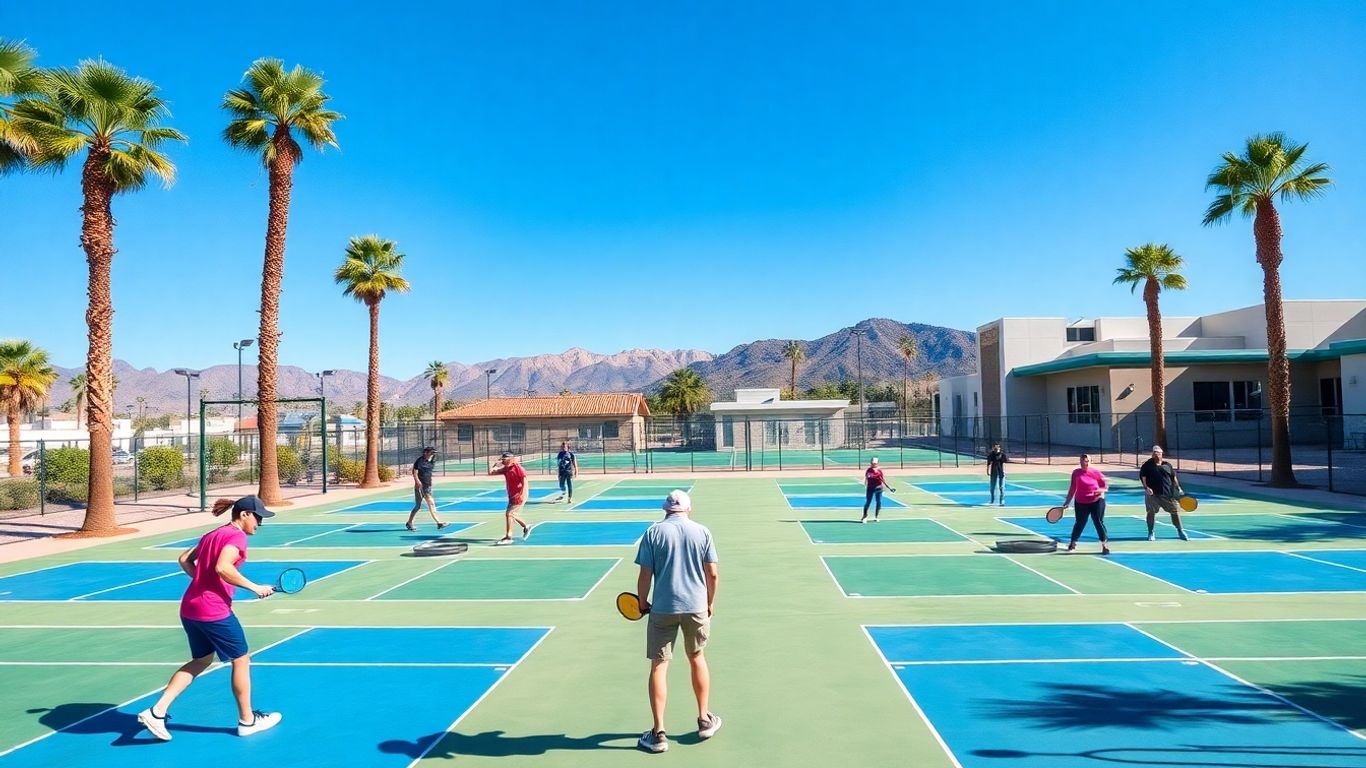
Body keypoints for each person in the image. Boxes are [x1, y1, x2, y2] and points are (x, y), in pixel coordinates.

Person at [136, 496, 282, 741]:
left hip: (190, 608)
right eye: (258, 518)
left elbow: (184, 559)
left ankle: (157, 712)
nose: (259, 523)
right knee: (241, 660)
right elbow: (223, 568)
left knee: (201, 660)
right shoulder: (236, 536)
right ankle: (248, 721)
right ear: (244, 515)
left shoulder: (212, 534)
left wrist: (203, 583)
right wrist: (255, 587)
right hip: (213, 611)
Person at [634, 490, 721, 754]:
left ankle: (658, 733)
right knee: (697, 657)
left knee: (659, 666)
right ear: (688, 509)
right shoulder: (702, 532)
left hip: (663, 608)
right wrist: (709, 602)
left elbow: (645, 574)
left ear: (666, 510)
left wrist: (641, 602)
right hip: (696, 607)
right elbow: (712, 574)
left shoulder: (653, 533)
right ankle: (704, 719)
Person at [1061, 454, 1110, 555]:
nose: (1084, 463)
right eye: (1082, 461)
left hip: (1097, 501)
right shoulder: (1076, 473)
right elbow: (1072, 488)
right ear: (1080, 462)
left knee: (1098, 522)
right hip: (1081, 502)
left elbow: (1105, 486)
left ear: (1090, 462)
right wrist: (1067, 501)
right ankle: (1073, 543)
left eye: (1087, 461)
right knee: (1080, 523)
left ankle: (1104, 545)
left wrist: (1100, 490)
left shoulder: (1096, 473)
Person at [1139, 445, 1189, 542]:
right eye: (1154, 452)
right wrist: (1146, 488)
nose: (1156, 454)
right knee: (1151, 512)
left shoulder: (1167, 465)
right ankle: (1151, 532)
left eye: (1158, 452)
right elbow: (1143, 478)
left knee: (1174, 512)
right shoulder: (1147, 465)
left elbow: (1173, 478)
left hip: (1168, 494)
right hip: (1153, 495)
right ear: (1152, 454)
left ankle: (1180, 531)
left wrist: (1178, 488)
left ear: (1162, 454)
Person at [489, 451, 531, 545]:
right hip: (511, 496)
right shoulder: (506, 469)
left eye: (504, 459)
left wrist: (522, 494)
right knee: (510, 515)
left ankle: (509, 536)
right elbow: (491, 472)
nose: (503, 461)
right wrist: (495, 464)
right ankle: (526, 526)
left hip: (519, 495)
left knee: (509, 514)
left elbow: (525, 482)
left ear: (510, 459)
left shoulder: (518, 468)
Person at [406, 446, 450, 532]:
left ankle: (438, 523)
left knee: (427, 505)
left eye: (433, 453)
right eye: (431, 452)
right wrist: (417, 481)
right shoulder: (420, 461)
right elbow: (415, 472)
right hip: (420, 487)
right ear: (426, 452)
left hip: (428, 486)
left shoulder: (432, 461)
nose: (433, 454)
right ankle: (410, 523)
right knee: (421, 506)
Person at [862, 457, 895, 523]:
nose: (873, 464)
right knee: (868, 502)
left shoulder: (879, 471)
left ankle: (876, 516)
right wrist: (865, 484)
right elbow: (866, 478)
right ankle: (865, 516)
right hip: (870, 488)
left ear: (877, 464)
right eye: (872, 463)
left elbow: (883, 480)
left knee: (879, 502)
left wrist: (889, 487)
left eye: (875, 463)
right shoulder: (868, 470)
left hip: (878, 488)